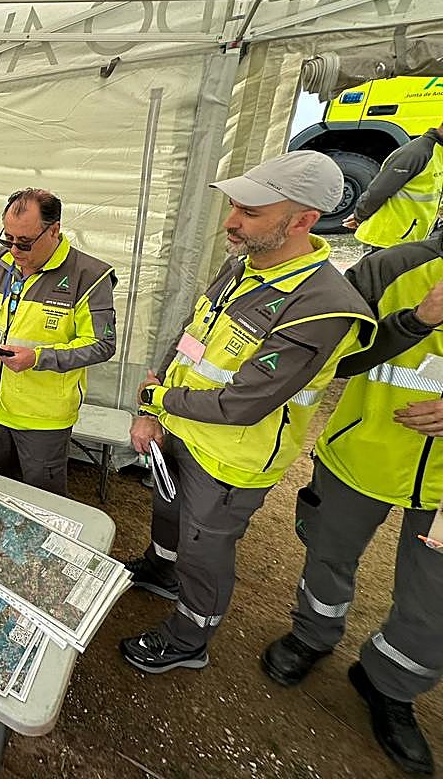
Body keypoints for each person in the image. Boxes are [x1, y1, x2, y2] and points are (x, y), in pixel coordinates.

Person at [121, 151, 376, 675]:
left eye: (252, 212)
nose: (232, 221)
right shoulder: (242, 265)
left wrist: (160, 402)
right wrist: (154, 411)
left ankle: (190, 638)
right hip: (181, 433)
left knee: (204, 552)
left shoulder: (322, 305)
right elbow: (191, 338)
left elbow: (242, 403)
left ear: (303, 220)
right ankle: (160, 572)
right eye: (235, 206)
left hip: (231, 461)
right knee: (168, 515)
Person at [259, 240, 443, 776]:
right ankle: (312, 635)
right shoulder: (396, 268)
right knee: (329, 553)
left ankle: (391, 686)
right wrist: (416, 320)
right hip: (360, 458)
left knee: (434, 597)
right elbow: (329, 356)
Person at [0, 189, 116, 496]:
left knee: (42, 500)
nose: (14, 249)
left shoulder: (89, 275)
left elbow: (102, 344)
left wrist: (38, 358)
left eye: (24, 242)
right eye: (7, 238)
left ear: (54, 230)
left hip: (44, 418)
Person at [347, 121, 443, 250]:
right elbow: (378, 191)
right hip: (385, 240)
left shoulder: (437, 152)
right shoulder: (416, 153)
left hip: (408, 240)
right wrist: (359, 216)